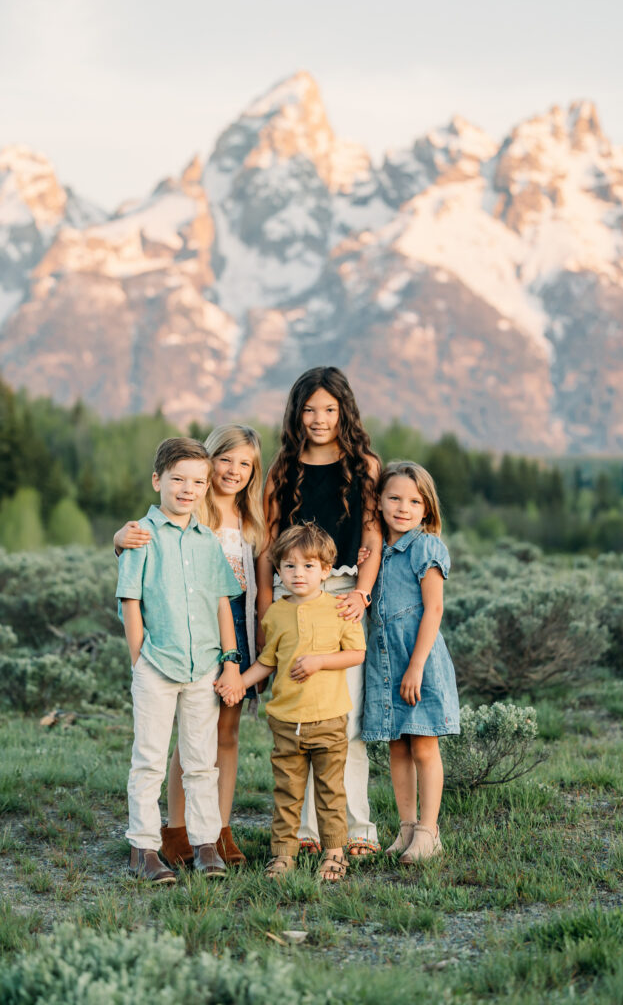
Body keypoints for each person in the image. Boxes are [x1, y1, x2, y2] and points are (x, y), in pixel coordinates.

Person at [114, 425, 265, 868]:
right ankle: (159, 840)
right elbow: (133, 590)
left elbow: (234, 598)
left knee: (213, 747)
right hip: (165, 650)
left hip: (217, 647)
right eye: (179, 479)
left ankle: (211, 836)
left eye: (196, 482)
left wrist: (236, 654)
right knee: (164, 751)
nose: (190, 488)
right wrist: (139, 659)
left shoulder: (230, 529)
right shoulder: (163, 523)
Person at [257, 366, 383, 856]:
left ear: (344, 411)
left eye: (329, 409)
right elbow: (268, 543)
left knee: (343, 718)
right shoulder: (283, 469)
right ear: (296, 413)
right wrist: (269, 610)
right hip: (291, 600)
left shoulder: (364, 465)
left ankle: (356, 829)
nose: (319, 418)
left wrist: (362, 593)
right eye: (309, 409)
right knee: (300, 717)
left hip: (343, 595)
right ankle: (307, 833)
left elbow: (372, 534)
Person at [219, 523, 366, 881]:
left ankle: (334, 854)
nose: (298, 574)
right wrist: (239, 681)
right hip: (286, 722)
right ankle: (284, 855)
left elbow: (356, 654)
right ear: (279, 571)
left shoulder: (340, 608)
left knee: (331, 792)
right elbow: (268, 661)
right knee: (287, 792)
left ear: (326, 570)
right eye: (289, 566)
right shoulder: (276, 614)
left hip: (329, 719)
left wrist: (319, 661)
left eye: (308, 566)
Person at [362, 461, 460, 863]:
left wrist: (416, 665)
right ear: (379, 502)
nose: (404, 507)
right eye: (395, 498)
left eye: (414, 501)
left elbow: (434, 610)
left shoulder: (426, 547)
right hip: (384, 661)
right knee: (397, 747)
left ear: (427, 508)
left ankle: (428, 832)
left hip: (417, 659)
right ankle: (405, 829)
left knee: (422, 745)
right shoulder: (376, 551)